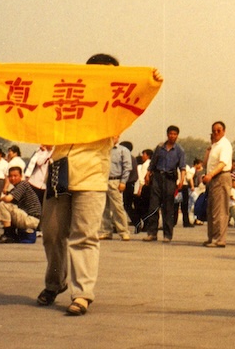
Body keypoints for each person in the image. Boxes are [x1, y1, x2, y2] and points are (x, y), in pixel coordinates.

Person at [38, 53, 162, 315]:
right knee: (51, 234)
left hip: (92, 175)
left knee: (85, 235)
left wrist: (150, 83)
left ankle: (82, 293)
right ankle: (55, 282)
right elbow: (38, 101)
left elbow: (137, 98)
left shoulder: (115, 105)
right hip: (60, 169)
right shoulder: (68, 94)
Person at [142, 125, 186, 243]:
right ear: (167, 134)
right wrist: (147, 174)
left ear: (177, 136)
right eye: (170, 134)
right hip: (157, 177)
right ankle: (152, 233)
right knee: (153, 205)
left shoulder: (179, 150)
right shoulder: (160, 147)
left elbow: (182, 167)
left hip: (170, 179)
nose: (172, 136)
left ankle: (167, 235)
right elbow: (152, 163)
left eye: (175, 134)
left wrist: (182, 180)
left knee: (168, 207)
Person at [0, 166, 41, 244]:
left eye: (15, 176)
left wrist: (1, 199)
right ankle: (11, 234)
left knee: (4, 204)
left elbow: (7, 199)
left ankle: (8, 234)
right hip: (28, 219)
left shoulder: (23, 185)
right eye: (10, 176)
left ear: (21, 176)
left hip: (31, 219)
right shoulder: (16, 189)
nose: (13, 178)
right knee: (3, 203)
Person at [203, 121, 233, 248]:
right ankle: (212, 237)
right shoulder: (215, 146)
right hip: (213, 179)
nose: (216, 133)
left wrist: (210, 175)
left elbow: (222, 164)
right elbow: (205, 164)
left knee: (219, 209)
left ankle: (219, 239)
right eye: (214, 131)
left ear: (224, 131)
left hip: (220, 177)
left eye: (218, 130)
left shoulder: (224, 145)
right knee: (212, 210)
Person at [99, 136, 132, 241]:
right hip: (103, 180)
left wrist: (123, 181)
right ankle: (106, 231)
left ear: (118, 137)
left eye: (115, 136)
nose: (113, 138)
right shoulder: (103, 149)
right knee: (104, 208)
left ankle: (124, 232)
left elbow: (127, 167)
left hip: (115, 181)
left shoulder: (123, 150)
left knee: (117, 208)